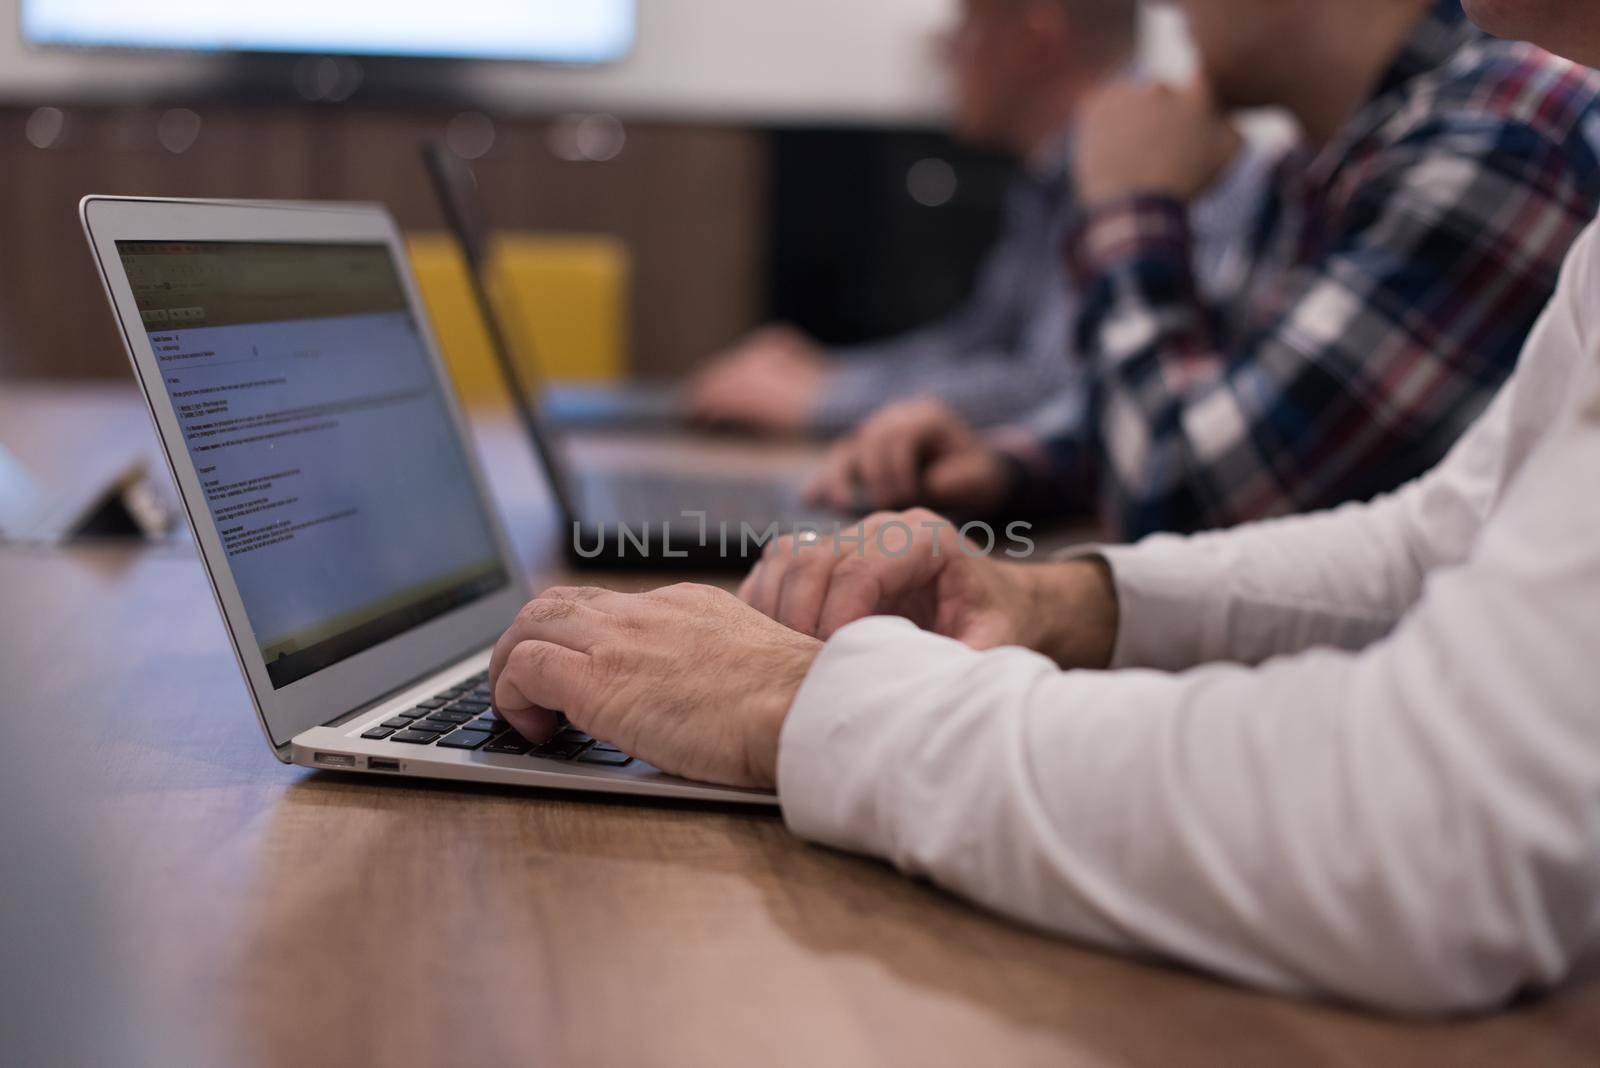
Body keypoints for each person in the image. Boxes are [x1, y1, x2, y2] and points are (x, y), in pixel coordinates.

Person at [487, 0, 1600, 1015]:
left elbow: (1424, 836)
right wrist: (1059, 597)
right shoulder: (1354, 157)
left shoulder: (1509, 124)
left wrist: (792, 702)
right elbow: (1437, 532)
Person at [807, 0, 1600, 542]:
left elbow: (1191, 502)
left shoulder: (1502, 129)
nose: (1167, 8)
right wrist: (1010, 466)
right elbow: (1220, 405)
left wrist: (1128, 206)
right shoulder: (1333, 149)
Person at [685, 0, 1270, 436]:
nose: (947, 49)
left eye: (965, 23)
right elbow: (979, 342)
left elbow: (1062, 389)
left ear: (1033, 36)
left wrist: (820, 404)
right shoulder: (1057, 164)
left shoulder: (1149, 151)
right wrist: (828, 374)